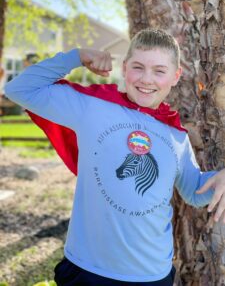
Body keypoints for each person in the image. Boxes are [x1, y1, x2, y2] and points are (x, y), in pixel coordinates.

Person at [4, 29, 225, 286]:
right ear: (124, 68)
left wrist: (220, 179)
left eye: (159, 71)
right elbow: (19, 89)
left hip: (152, 273)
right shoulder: (92, 107)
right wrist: (76, 57)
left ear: (176, 76)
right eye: (138, 67)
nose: (147, 79)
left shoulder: (176, 136)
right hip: (89, 269)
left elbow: (194, 191)